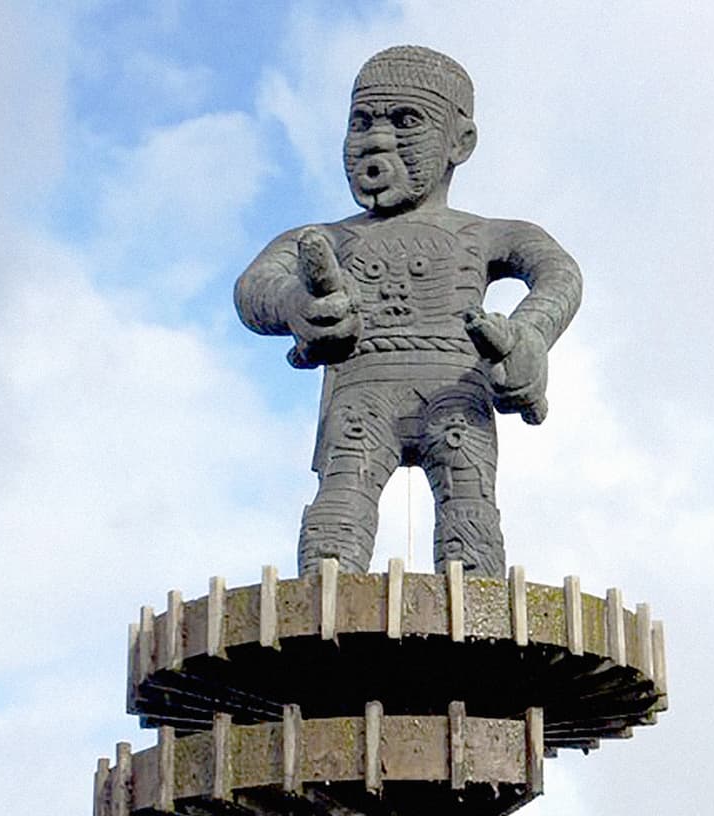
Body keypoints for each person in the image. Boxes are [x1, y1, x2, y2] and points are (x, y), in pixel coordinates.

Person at [235, 44, 582, 578]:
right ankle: (329, 615)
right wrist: (297, 305)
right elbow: (254, 287)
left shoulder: (487, 234)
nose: (377, 139)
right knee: (339, 508)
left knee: (469, 512)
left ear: (460, 141)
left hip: (456, 392)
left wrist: (527, 335)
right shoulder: (329, 237)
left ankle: (474, 631)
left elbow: (557, 272)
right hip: (360, 395)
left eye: (405, 120)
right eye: (361, 122)